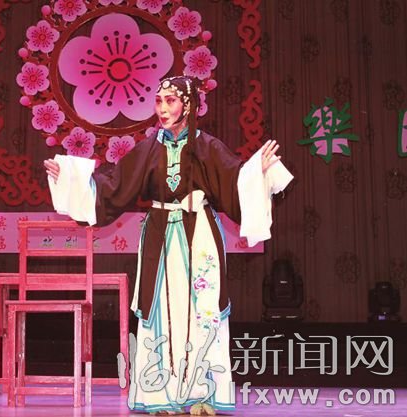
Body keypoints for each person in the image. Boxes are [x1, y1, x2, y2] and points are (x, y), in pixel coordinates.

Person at [44, 75, 292, 415]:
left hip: (200, 233)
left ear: (187, 105)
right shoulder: (148, 149)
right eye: (159, 101)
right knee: (160, 309)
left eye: (170, 101)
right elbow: (113, 186)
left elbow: (236, 182)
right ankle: (158, 395)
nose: (162, 108)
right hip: (160, 236)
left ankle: (202, 395)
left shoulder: (208, 146)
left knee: (203, 311)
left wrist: (257, 173)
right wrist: (71, 179)